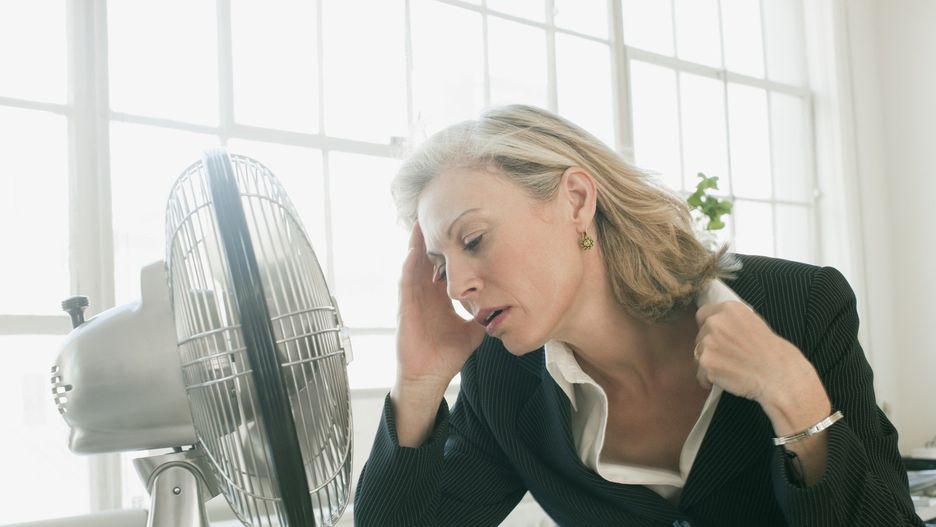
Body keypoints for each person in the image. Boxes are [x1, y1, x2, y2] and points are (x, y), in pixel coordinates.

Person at [353, 104, 922, 526]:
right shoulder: (501, 379)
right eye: (438, 265)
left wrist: (796, 398)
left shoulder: (802, 306)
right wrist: (420, 383)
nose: (457, 286)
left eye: (473, 240)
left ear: (576, 200)